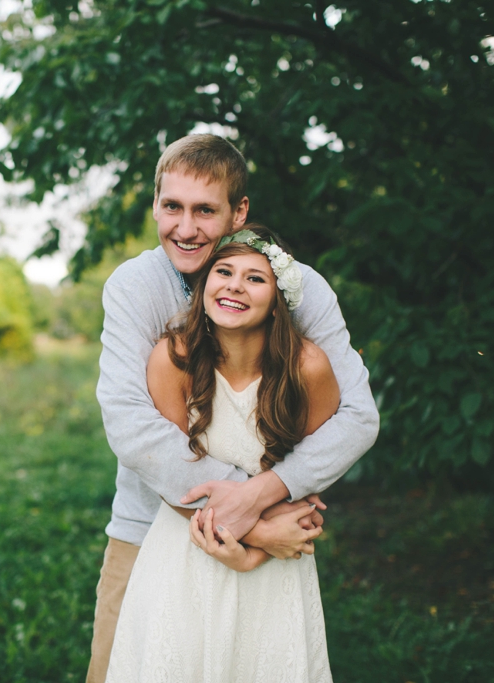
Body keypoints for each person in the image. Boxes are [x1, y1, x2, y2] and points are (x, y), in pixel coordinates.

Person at [88, 134, 379, 682]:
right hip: (150, 529)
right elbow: (132, 428)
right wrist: (254, 525)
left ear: (238, 211)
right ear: (155, 204)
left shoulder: (298, 288)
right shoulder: (135, 287)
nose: (185, 227)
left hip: (271, 552)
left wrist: (264, 498)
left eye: (205, 210)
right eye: (171, 206)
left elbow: (357, 418)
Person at [106, 225, 339, 681]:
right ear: (205, 284)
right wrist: (257, 540)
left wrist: (262, 555)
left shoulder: (307, 367)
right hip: (183, 551)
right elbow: (172, 478)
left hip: (276, 570)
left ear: (278, 299)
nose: (235, 285)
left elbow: (312, 481)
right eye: (224, 271)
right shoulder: (173, 358)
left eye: (255, 278)